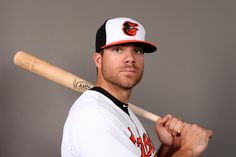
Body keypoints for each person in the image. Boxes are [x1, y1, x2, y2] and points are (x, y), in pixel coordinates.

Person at [61, 17, 213, 157]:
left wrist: (169, 147)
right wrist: (189, 149)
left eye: (137, 51)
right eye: (118, 50)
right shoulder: (93, 116)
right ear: (99, 60)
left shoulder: (120, 110)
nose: (130, 59)